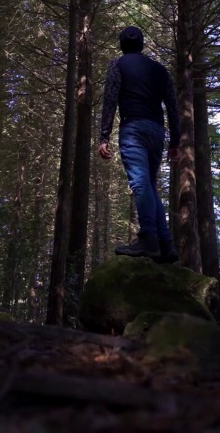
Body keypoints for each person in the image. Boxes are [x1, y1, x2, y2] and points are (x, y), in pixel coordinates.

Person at [98, 26, 180, 263]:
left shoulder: (118, 65)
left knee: (141, 183)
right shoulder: (160, 70)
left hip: (133, 128)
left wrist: (104, 136)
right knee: (150, 187)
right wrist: (175, 141)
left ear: (122, 45)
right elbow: (173, 106)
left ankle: (148, 239)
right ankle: (166, 245)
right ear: (142, 45)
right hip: (156, 132)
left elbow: (110, 99)